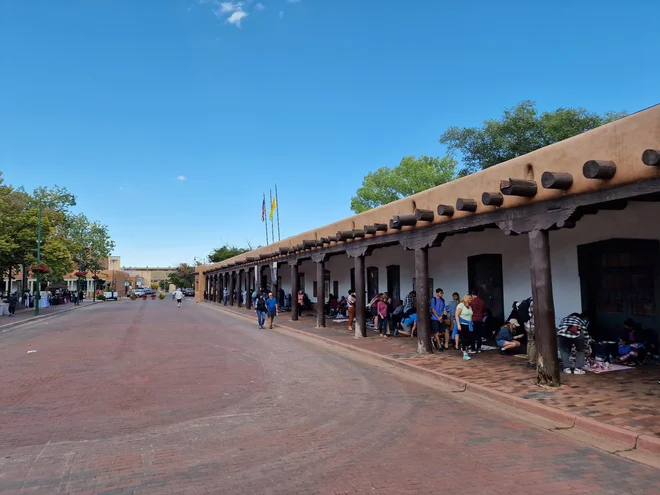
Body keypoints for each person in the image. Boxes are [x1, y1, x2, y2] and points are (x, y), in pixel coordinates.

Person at [455, 294, 474, 360]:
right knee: (463, 338)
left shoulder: (470, 307)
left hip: (469, 325)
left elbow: (470, 315)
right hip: (462, 324)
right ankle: (465, 353)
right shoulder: (461, 305)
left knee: (470, 339)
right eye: (471, 299)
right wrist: (458, 324)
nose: (471, 301)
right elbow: (457, 315)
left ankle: (464, 347)